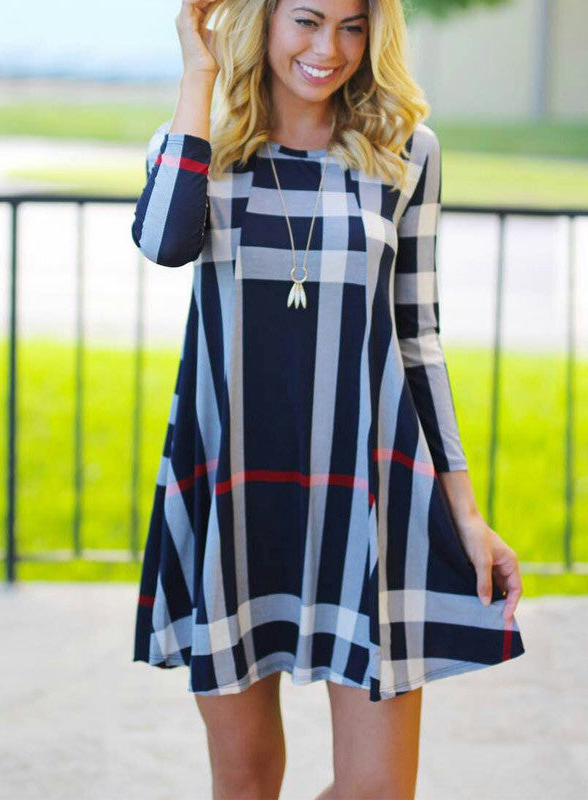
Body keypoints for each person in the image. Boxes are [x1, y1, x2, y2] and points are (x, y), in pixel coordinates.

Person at [131, 1, 526, 797]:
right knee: (246, 783)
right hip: (235, 490)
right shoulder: (196, 145)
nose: (330, 48)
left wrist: (467, 511)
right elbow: (165, 245)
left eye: (352, 25)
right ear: (265, 20)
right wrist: (199, 73)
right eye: (308, 21)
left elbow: (418, 335)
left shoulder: (405, 149)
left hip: (368, 493)